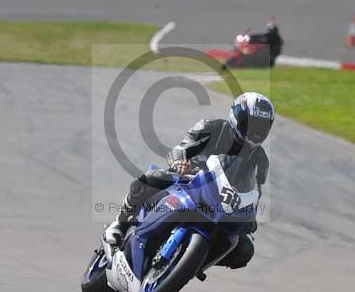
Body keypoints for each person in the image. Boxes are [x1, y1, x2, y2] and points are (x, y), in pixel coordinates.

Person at [103, 92, 274, 269]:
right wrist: (179, 163)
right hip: (190, 180)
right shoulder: (211, 127)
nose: (255, 132)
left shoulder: (260, 160)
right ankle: (119, 225)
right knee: (150, 179)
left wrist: (251, 216)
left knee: (244, 250)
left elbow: (255, 191)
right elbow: (181, 148)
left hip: (221, 203)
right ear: (236, 117)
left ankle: (192, 262)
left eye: (261, 127)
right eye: (250, 124)